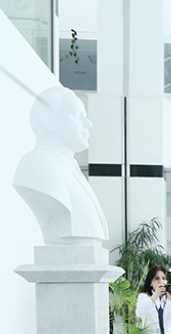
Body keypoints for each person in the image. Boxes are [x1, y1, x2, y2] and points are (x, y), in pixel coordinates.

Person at [13, 86, 109, 245]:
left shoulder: (67, 167)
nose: (88, 124)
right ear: (50, 121)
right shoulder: (39, 164)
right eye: (77, 115)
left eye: (85, 116)